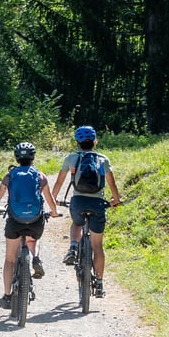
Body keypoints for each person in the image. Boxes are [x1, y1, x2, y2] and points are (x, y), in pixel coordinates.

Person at [0, 140, 60, 309]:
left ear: (16, 158)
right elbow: (50, 200)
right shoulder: (40, 176)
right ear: (33, 158)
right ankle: (35, 257)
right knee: (33, 239)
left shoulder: (10, 175)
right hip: (35, 221)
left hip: (15, 221)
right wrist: (54, 212)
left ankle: (7, 296)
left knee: (10, 259)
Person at [51, 124, 121, 297]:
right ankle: (99, 284)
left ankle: (73, 247)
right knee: (97, 245)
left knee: (76, 223)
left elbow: (59, 182)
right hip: (98, 203)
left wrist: (53, 199)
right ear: (95, 142)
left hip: (78, 201)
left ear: (77, 142)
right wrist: (116, 200)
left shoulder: (71, 158)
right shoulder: (103, 159)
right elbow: (112, 184)